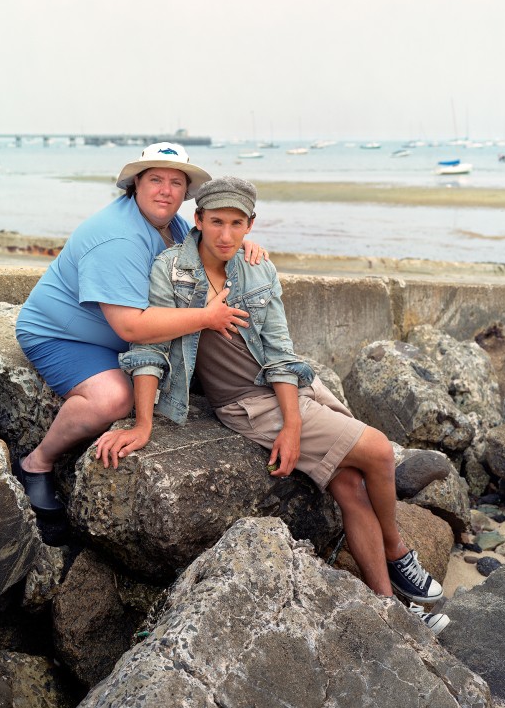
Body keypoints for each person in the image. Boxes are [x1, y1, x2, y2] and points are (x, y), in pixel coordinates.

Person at [96, 175, 450, 635]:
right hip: (246, 403)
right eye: (216, 222)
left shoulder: (258, 268)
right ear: (197, 220)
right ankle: (397, 552)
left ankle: (390, 608)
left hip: (289, 386)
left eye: (236, 224)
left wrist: (295, 425)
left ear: (250, 225)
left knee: (350, 485)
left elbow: (281, 354)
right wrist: (144, 423)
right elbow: (150, 351)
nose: (226, 234)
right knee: (381, 450)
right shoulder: (171, 271)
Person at [15, 144, 266, 513]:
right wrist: (206, 317)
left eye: (176, 182)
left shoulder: (172, 225)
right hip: (63, 335)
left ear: (186, 193)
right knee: (114, 399)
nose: (165, 190)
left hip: (112, 335)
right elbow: (131, 326)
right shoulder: (117, 237)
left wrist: (242, 244)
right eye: (155, 180)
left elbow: (210, 249)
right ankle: (37, 463)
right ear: (136, 184)